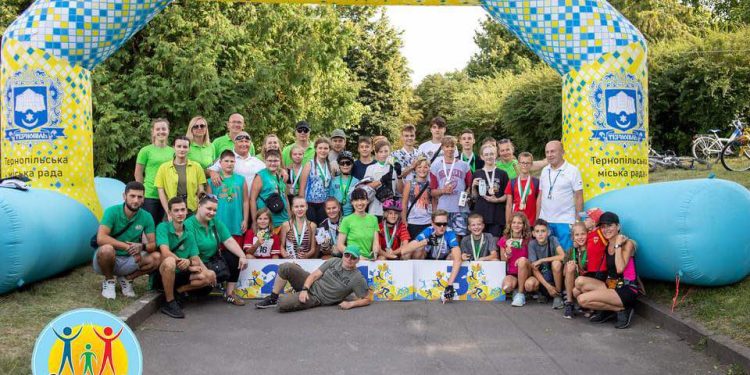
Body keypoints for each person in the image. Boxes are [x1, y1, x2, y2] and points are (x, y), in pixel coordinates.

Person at [93, 181, 160, 300]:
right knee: (107, 249)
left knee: (158, 257)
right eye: (132, 196)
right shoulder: (112, 211)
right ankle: (109, 281)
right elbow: (101, 238)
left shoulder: (147, 216)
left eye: (139, 197)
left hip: (130, 259)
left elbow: (153, 244)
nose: (136, 200)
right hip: (106, 259)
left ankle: (127, 279)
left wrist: (142, 247)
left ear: (143, 199)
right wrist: (127, 247)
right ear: (124, 196)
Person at [254, 246, 371, 312]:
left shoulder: (357, 278)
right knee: (286, 267)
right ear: (344, 254)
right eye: (347, 255)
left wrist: (350, 304)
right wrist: (305, 289)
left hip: (317, 298)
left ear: (357, 260)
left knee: (282, 304)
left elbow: (367, 299)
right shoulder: (334, 260)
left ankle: (288, 297)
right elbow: (314, 275)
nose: (349, 259)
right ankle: (273, 298)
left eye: (353, 257)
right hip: (311, 283)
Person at [575, 212, 640, 329]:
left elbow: (620, 269)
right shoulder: (607, 245)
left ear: (618, 227)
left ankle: (623, 309)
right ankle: (609, 310)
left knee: (582, 300)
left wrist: (618, 245)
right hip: (611, 285)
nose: (606, 229)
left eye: (609, 226)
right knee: (579, 282)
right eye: (603, 227)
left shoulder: (627, 244)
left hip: (626, 289)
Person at [184, 193, 248, 306]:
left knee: (234, 255)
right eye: (209, 209)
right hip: (195, 264)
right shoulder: (189, 224)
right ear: (199, 206)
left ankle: (229, 294)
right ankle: (185, 292)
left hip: (212, 261)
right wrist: (207, 273)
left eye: (215, 210)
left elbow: (228, 240)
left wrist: (242, 256)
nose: (212, 213)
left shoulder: (215, 222)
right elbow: (193, 254)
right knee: (200, 293)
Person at [156, 197, 214, 319]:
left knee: (209, 276)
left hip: (182, 272)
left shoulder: (189, 233)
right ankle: (170, 302)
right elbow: (165, 252)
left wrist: (190, 262)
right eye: (176, 210)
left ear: (187, 211)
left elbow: (195, 259)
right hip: (165, 272)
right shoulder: (163, 227)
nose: (180, 213)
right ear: (170, 212)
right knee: (170, 261)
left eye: (183, 210)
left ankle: (178, 292)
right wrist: (181, 261)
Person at [399, 209, 462, 301]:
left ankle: (446, 284)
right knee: (417, 249)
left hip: (442, 262)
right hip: (426, 260)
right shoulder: (428, 231)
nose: (442, 227)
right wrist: (426, 242)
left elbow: (458, 259)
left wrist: (450, 285)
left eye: (444, 224)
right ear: (432, 223)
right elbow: (404, 251)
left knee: (454, 255)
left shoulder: (450, 233)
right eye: (438, 224)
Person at [537, 140, 584, 250]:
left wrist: (578, 221)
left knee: (565, 256)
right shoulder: (544, 170)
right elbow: (540, 196)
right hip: (545, 221)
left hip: (565, 221)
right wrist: (537, 219)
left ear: (562, 152)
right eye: (547, 152)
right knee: (548, 256)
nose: (549, 155)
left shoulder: (573, 171)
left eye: (553, 151)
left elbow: (579, 197)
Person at [430, 136, 472, 238]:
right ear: (442, 148)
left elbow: (469, 186)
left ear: (456, 147)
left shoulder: (464, 165)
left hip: (461, 208)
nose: (450, 149)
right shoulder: (435, 166)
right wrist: (443, 190)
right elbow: (432, 192)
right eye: (447, 146)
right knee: (444, 238)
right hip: (443, 209)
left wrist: (467, 194)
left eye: (452, 146)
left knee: (459, 237)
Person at [155, 136, 207, 217]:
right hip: (172, 207)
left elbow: (201, 190)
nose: (182, 149)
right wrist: (168, 212)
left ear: (189, 149)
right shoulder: (163, 168)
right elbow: (161, 192)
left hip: (192, 208)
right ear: (173, 148)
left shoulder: (197, 167)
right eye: (179, 146)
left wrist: (199, 209)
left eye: (185, 147)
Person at [135, 118, 175, 223]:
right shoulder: (145, 151)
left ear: (168, 131)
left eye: (163, 129)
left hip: (168, 195)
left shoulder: (173, 152)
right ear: (153, 132)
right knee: (149, 225)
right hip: (150, 195)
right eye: (158, 129)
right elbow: (138, 173)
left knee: (165, 227)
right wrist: (141, 193)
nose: (161, 131)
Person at [207, 150, 249, 245]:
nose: (229, 164)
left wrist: (245, 220)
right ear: (220, 163)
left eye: (232, 161)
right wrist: (209, 222)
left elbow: (245, 201)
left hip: (236, 222)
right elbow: (208, 204)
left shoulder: (241, 179)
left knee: (235, 254)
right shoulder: (212, 181)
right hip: (218, 222)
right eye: (226, 161)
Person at [525, 218, 565, 308]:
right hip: (543, 280)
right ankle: (543, 293)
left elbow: (563, 256)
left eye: (543, 231)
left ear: (548, 232)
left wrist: (542, 260)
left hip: (555, 277)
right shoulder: (532, 244)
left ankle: (557, 295)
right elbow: (534, 268)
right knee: (529, 285)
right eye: (537, 231)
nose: (540, 234)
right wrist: (548, 287)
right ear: (533, 234)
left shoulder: (553, 239)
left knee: (556, 263)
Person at [471, 143, 508, 237]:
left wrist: (497, 200)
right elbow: (474, 197)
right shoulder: (477, 173)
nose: (489, 157)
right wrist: (473, 187)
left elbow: (507, 195)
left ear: (496, 155)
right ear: (482, 157)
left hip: (497, 215)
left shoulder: (502, 174)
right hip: (480, 216)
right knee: (482, 246)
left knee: (494, 246)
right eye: (486, 155)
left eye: (491, 154)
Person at [250, 149, 291, 233]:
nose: (273, 163)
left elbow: (285, 197)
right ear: (265, 161)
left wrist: (290, 217)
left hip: (284, 220)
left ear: (280, 162)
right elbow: (252, 199)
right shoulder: (260, 176)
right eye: (270, 160)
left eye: (276, 160)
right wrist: (254, 221)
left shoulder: (281, 175)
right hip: (268, 222)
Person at [499, 212, 533, 307]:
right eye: (514, 222)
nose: (516, 225)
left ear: (524, 225)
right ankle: (517, 289)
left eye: (519, 223)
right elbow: (503, 261)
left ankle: (520, 294)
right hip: (512, 273)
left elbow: (532, 259)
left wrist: (523, 260)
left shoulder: (529, 239)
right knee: (507, 288)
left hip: (527, 271)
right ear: (510, 224)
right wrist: (507, 254)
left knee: (522, 260)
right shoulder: (504, 239)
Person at [337, 188, 380, 261]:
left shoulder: (373, 219)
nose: (360, 203)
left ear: (367, 201)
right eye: (356, 200)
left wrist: (374, 254)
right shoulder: (346, 220)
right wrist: (356, 256)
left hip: (368, 261)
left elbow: (376, 242)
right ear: (352, 202)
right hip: (351, 260)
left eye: (362, 199)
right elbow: (340, 245)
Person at [298, 137, 333, 225]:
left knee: (322, 231)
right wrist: (302, 205)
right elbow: (302, 187)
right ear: (316, 149)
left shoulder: (330, 166)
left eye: (326, 148)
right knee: (311, 229)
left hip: (324, 204)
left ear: (329, 150)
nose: (323, 151)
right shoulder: (309, 165)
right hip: (309, 204)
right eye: (320, 148)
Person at [364, 139, 401, 219]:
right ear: (376, 153)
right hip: (374, 209)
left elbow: (400, 190)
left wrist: (399, 175)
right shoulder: (371, 168)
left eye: (386, 151)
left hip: (391, 211)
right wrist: (381, 181)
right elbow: (366, 188)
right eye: (381, 152)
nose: (384, 154)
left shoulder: (394, 167)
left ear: (390, 152)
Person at [401, 157, 434, 239]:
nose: (422, 169)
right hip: (412, 221)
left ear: (429, 169)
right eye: (419, 167)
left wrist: (434, 219)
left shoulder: (432, 184)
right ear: (415, 169)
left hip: (428, 221)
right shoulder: (409, 184)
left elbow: (434, 203)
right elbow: (404, 203)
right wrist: (404, 220)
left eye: (425, 167)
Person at [505, 151, 540, 225]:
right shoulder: (512, 182)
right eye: (522, 163)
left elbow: (538, 204)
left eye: (528, 163)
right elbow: (509, 205)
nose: (525, 165)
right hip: (516, 224)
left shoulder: (536, 182)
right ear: (518, 164)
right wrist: (508, 224)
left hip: (531, 223)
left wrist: (537, 222)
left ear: (531, 165)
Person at [562, 222, 588, 319]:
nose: (580, 237)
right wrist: (571, 266)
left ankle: (585, 306)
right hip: (574, 284)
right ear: (573, 237)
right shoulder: (570, 251)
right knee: (570, 268)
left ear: (587, 234)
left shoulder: (591, 249)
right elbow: (564, 273)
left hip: (587, 283)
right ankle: (569, 303)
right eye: (577, 235)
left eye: (583, 234)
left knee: (577, 292)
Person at [329, 151, 358, 216]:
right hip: (336, 215)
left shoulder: (357, 182)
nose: (345, 165)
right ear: (339, 165)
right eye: (342, 163)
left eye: (348, 163)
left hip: (352, 215)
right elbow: (330, 198)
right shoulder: (333, 180)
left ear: (352, 165)